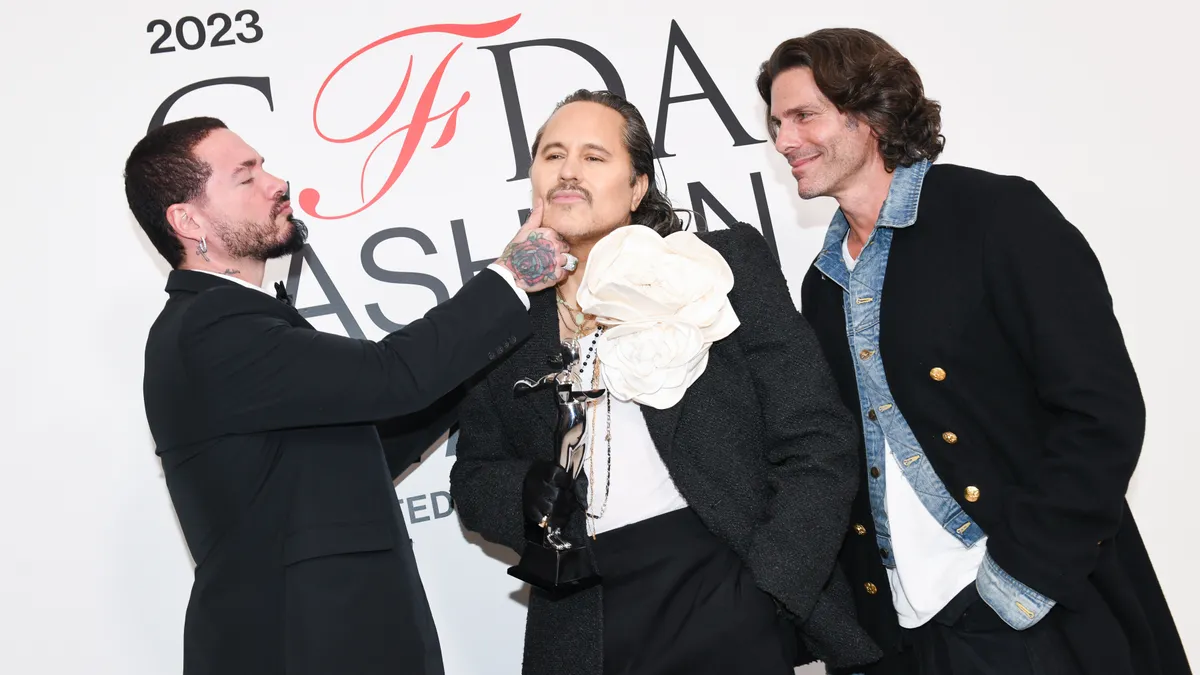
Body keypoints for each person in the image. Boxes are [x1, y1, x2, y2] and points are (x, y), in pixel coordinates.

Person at [756, 28, 1192, 675]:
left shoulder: (995, 217)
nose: (784, 140)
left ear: (869, 111)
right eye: (774, 123)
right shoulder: (821, 286)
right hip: (904, 637)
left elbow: (1101, 412)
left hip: (1031, 615)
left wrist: (1015, 584)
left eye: (803, 116)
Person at [448, 89, 882, 675]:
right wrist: (523, 492)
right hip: (583, 618)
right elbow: (473, 476)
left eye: (594, 157)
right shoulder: (500, 318)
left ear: (637, 187)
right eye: (552, 155)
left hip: (725, 588)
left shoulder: (717, 265)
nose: (569, 170)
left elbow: (817, 437)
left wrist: (773, 587)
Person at [124, 116, 575, 675]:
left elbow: (357, 451)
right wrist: (512, 277)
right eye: (246, 176)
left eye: (264, 165)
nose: (277, 182)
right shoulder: (211, 325)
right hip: (302, 645)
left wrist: (475, 363)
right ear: (188, 219)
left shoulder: (229, 323)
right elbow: (391, 377)